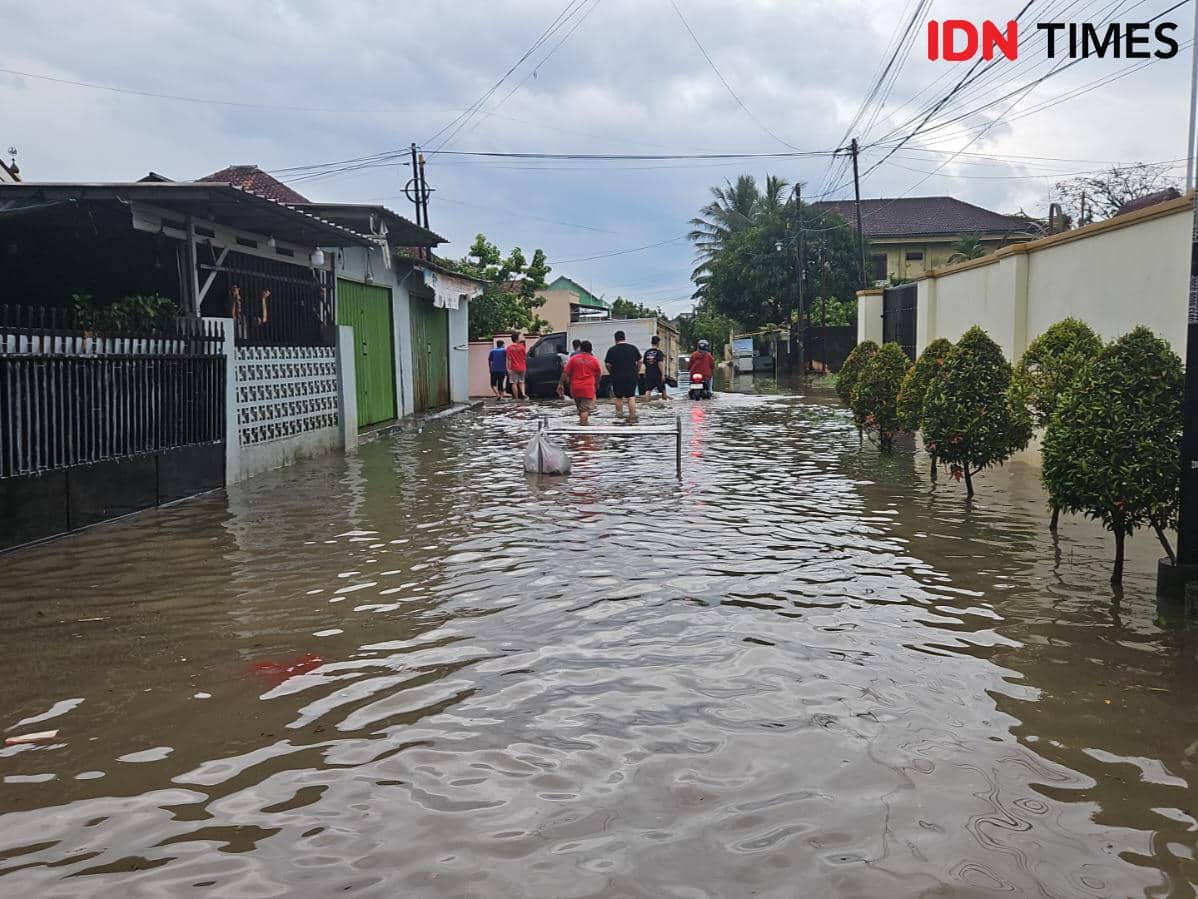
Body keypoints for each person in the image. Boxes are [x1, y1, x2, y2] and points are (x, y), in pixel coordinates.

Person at [558, 339, 603, 425]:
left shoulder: (573, 359)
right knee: (585, 410)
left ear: (581, 349)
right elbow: (598, 375)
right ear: (591, 350)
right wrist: (596, 384)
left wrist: (560, 384)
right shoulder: (594, 360)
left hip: (575, 388)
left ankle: (580, 427)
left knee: (580, 409)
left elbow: (565, 372)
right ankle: (584, 430)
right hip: (588, 388)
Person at [605, 329, 642, 422]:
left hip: (617, 376)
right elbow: (640, 361)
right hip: (631, 376)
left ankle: (619, 416)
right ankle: (632, 416)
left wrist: (612, 372)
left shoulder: (612, 350)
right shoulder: (632, 348)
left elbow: (608, 364)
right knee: (631, 396)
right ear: (624, 338)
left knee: (618, 397)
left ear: (615, 339)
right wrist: (636, 370)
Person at [642, 334, 667, 400]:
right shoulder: (659, 352)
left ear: (651, 342)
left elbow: (645, 364)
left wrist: (645, 373)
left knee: (648, 390)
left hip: (649, 374)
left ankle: (647, 404)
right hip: (657, 375)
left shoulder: (647, 352)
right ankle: (666, 403)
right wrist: (663, 375)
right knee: (663, 390)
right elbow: (660, 363)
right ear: (658, 343)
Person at [505, 331, 528, 400]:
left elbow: (509, 359)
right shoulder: (522, 347)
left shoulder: (509, 348)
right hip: (522, 367)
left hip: (513, 367)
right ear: (517, 339)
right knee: (522, 381)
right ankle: (523, 394)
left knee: (514, 383)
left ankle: (516, 397)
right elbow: (525, 357)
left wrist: (508, 368)